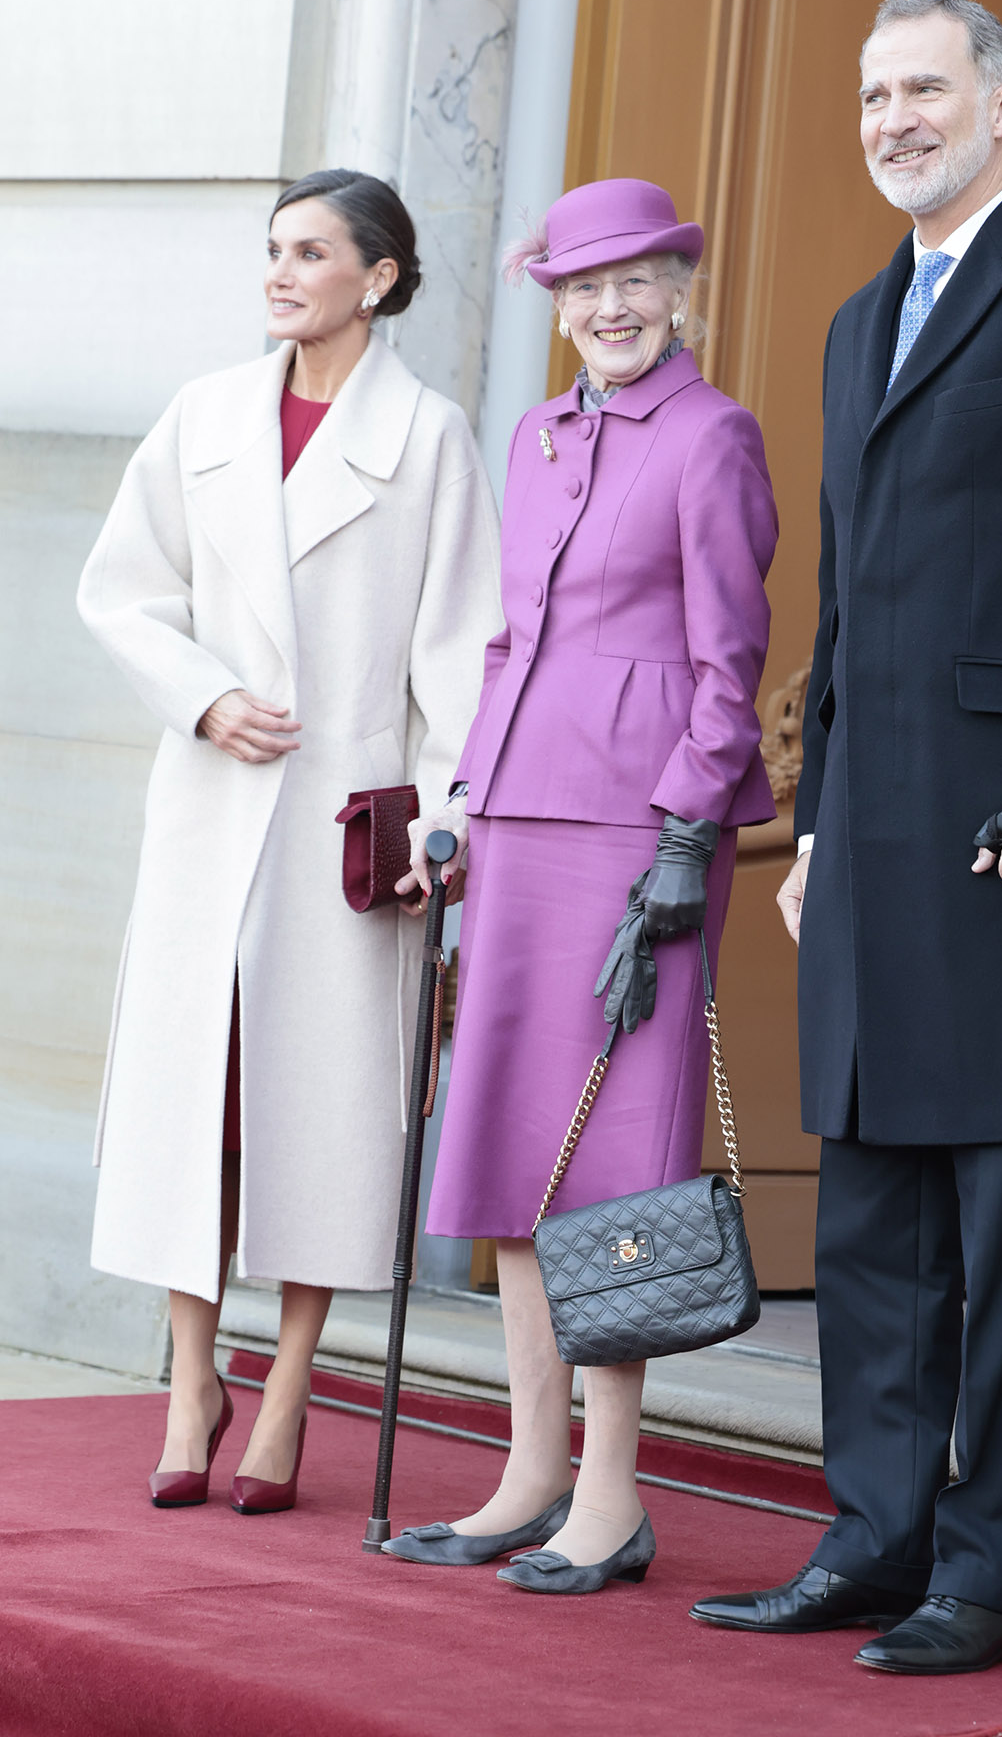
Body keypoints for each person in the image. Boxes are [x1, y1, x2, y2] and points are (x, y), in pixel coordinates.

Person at [691, 0, 1002, 1670]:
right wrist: (820, 824)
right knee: (872, 1220)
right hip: (877, 848)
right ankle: (875, 1538)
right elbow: (847, 609)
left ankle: (991, 1573)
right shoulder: (856, 320)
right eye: (868, 93)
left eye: (922, 86)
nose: (891, 116)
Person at [78, 168, 501, 1512]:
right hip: (210, 809)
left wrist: (446, 821)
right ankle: (192, 1374)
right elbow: (122, 593)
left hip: (347, 827)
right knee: (194, 1102)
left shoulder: (429, 437)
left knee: (323, 1114)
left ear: (376, 277)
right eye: (271, 247)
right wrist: (203, 696)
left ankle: (297, 1380)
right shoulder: (203, 415)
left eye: (309, 250)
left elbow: (463, 656)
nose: (278, 270)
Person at [390, 178, 778, 1593]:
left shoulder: (713, 437)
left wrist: (688, 836)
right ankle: (528, 1474)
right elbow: (507, 645)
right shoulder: (540, 434)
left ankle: (610, 1500)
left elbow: (732, 664)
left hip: (634, 844)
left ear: (680, 287)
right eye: (580, 285)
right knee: (509, 1150)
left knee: (613, 1168)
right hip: (519, 829)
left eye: (634, 280)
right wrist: (464, 804)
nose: (606, 308)